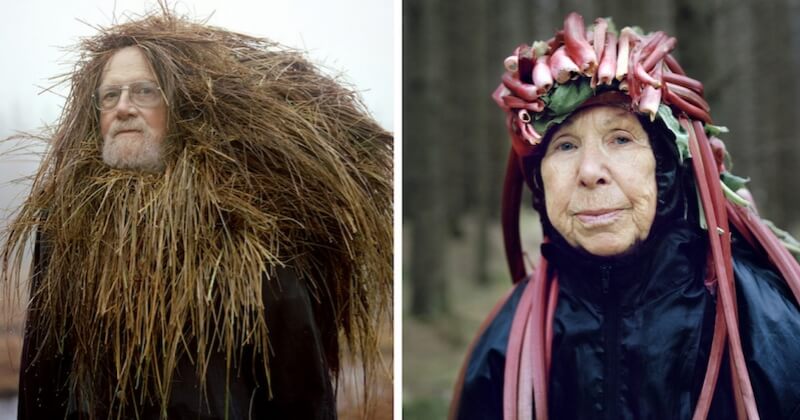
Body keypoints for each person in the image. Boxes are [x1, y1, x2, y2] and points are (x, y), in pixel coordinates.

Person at [2, 9, 392, 420]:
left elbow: (300, 391)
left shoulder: (248, 220)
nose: (124, 108)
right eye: (109, 96)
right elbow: (41, 375)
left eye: (144, 92)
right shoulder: (66, 222)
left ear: (179, 107)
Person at [450, 12, 800, 420]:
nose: (589, 172)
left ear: (667, 169)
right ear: (540, 184)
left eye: (620, 138)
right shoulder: (505, 346)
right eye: (564, 146)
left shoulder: (768, 328)